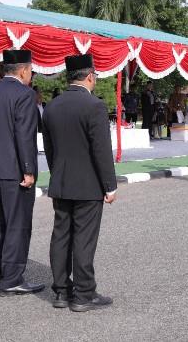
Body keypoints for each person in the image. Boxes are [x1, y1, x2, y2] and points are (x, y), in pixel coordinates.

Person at [42, 54, 117, 312]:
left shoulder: (51, 107)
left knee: (61, 236)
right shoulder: (94, 106)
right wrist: (110, 185)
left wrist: (58, 173)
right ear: (90, 76)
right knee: (83, 239)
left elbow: (48, 149)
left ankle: (62, 292)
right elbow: (101, 151)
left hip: (61, 183)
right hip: (88, 185)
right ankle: (84, 294)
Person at [0, 49, 44, 296]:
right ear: (24, 70)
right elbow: (24, 135)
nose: (31, 75)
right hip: (16, 170)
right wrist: (28, 170)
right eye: (31, 70)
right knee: (18, 225)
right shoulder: (25, 95)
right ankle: (12, 279)